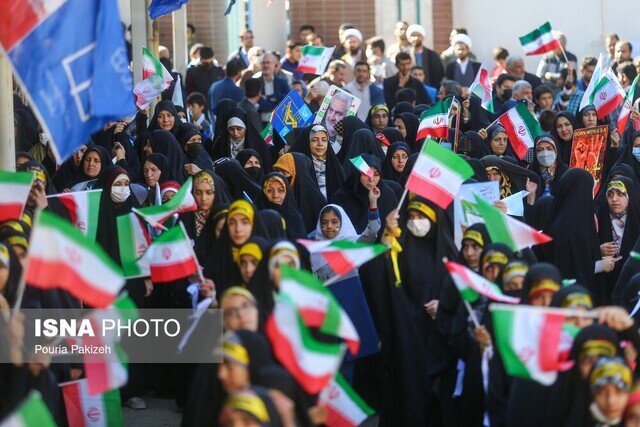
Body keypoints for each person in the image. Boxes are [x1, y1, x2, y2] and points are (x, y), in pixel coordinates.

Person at [406, 24, 444, 89]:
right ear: (409, 38)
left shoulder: (432, 55)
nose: (416, 38)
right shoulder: (406, 55)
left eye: (418, 35)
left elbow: (438, 76)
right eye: (413, 35)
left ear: (423, 37)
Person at [255, 53, 288, 126]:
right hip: (261, 123)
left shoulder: (283, 82)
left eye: (268, 63)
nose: (266, 65)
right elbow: (256, 104)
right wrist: (275, 101)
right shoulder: (255, 82)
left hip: (279, 123)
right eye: (263, 63)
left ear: (274, 64)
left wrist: (267, 98)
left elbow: (286, 102)